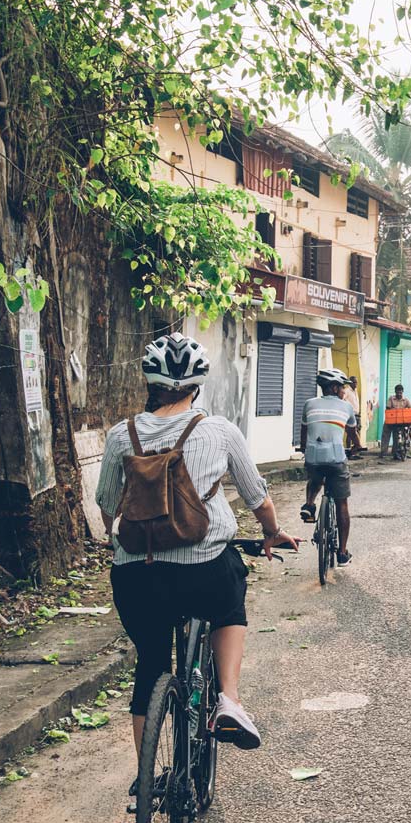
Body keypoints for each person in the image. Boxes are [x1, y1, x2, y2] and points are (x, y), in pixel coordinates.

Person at [96, 333, 297, 780]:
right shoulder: (220, 431)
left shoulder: (118, 436)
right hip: (204, 570)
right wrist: (272, 533)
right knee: (229, 606)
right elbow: (257, 497)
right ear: (196, 387)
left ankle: (147, 775)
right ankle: (228, 698)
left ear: (149, 383)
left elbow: (107, 507)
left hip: (137, 575)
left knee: (150, 661)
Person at [299, 366, 356, 565]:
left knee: (315, 477)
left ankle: (309, 505)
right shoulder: (346, 407)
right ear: (333, 388)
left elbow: (304, 431)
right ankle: (342, 553)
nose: (344, 391)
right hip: (336, 459)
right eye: (341, 387)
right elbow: (352, 433)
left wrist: (304, 447)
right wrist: (357, 447)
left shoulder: (308, 404)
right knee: (342, 503)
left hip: (313, 456)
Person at [381, 384, 411, 458]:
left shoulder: (406, 400)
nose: (399, 394)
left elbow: (410, 409)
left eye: (400, 392)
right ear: (395, 392)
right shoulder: (391, 398)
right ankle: (383, 452)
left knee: (397, 438)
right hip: (390, 421)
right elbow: (388, 408)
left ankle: (395, 453)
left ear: (402, 392)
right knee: (385, 436)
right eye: (397, 392)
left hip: (399, 423)